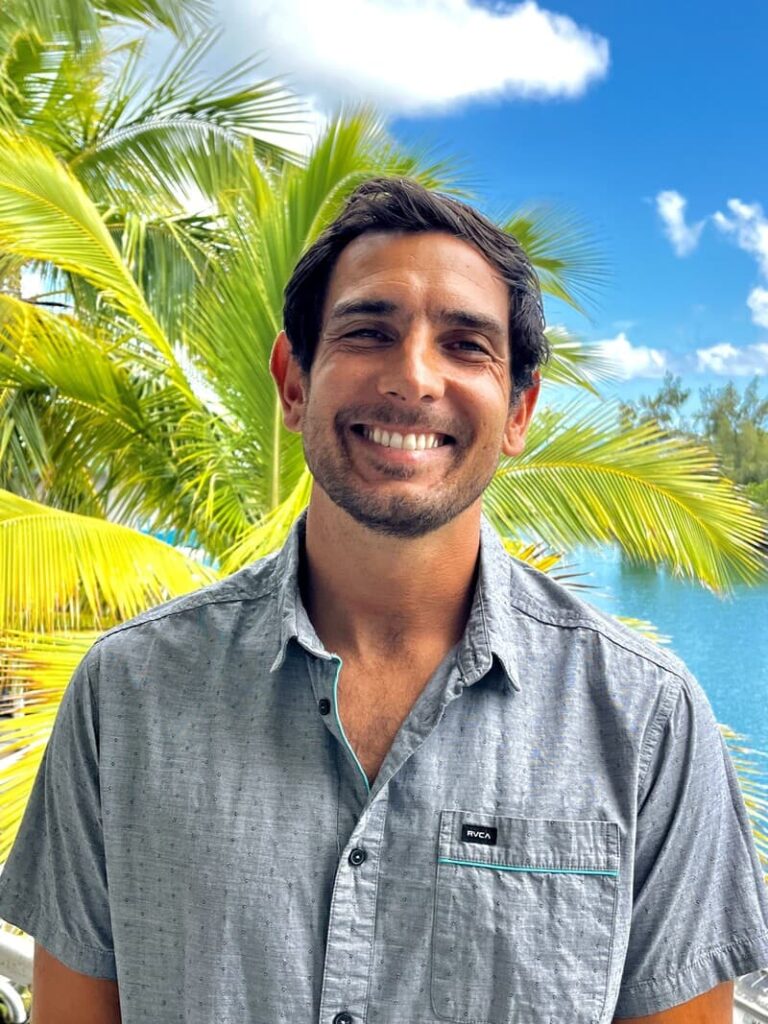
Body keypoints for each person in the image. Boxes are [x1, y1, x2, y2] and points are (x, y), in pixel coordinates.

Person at [0, 177, 766, 1024]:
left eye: (466, 346)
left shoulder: (646, 722)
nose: (413, 377)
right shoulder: (127, 695)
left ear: (520, 411)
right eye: (369, 331)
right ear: (293, 383)